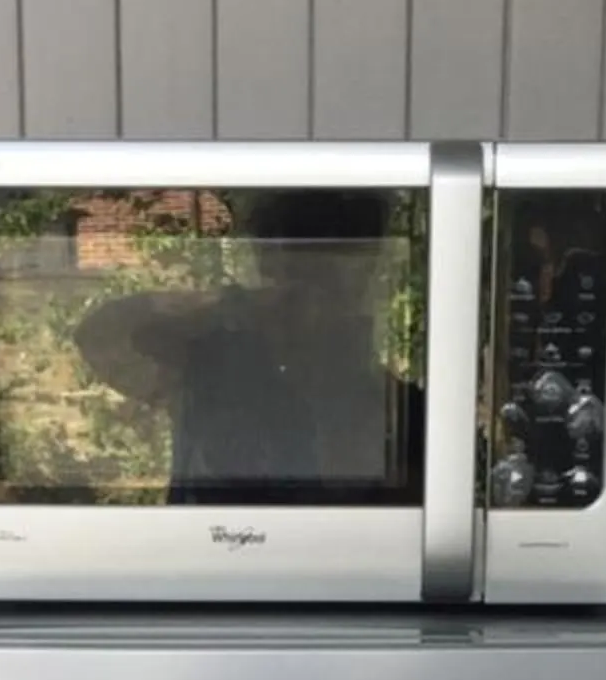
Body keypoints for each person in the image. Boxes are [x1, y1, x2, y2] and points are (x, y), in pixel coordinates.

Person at [74, 191, 417, 499]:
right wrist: (217, 303)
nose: (304, 308)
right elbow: (100, 336)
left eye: (325, 283)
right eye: (281, 282)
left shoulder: (401, 416)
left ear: (365, 280)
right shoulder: (207, 366)